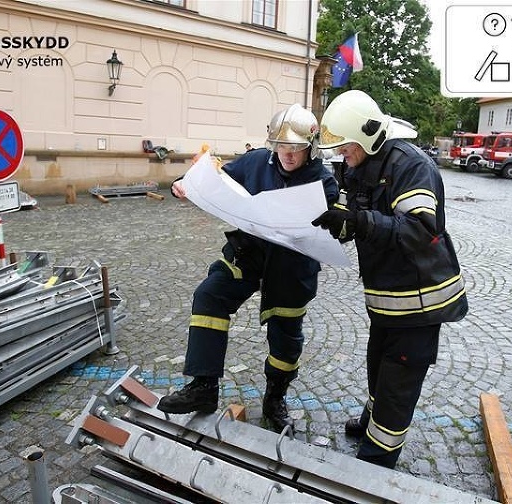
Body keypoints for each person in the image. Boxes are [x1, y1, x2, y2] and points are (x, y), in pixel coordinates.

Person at [158, 104, 339, 433]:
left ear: (310, 148)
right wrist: (183, 182)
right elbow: (216, 180)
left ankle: (274, 398)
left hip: (292, 267)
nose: (287, 155)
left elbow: (334, 230)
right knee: (209, 296)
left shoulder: (324, 183)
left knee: (286, 339)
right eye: (281, 147)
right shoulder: (256, 160)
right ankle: (203, 387)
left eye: (295, 148)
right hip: (249, 253)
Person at [311, 90, 469, 468]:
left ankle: (376, 458)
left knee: (398, 379)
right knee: (378, 367)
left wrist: (359, 222)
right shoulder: (359, 164)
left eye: (346, 148)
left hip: (421, 300)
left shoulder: (411, 166)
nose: (342, 156)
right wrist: (336, 222)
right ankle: (371, 422)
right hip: (386, 297)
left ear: (366, 137)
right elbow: (355, 211)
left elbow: (418, 229)